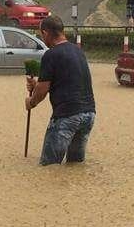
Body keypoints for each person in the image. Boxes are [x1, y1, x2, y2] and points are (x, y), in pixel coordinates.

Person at [25, 15, 95, 166]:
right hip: (88, 114)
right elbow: (65, 82)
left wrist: (31, 102)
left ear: (45, 33)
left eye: (40, 35)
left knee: (48, 167)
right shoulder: (78, 51)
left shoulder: (51, 55)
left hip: (66, 116)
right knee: (74, 166)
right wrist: (36, 85)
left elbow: (42, 92)